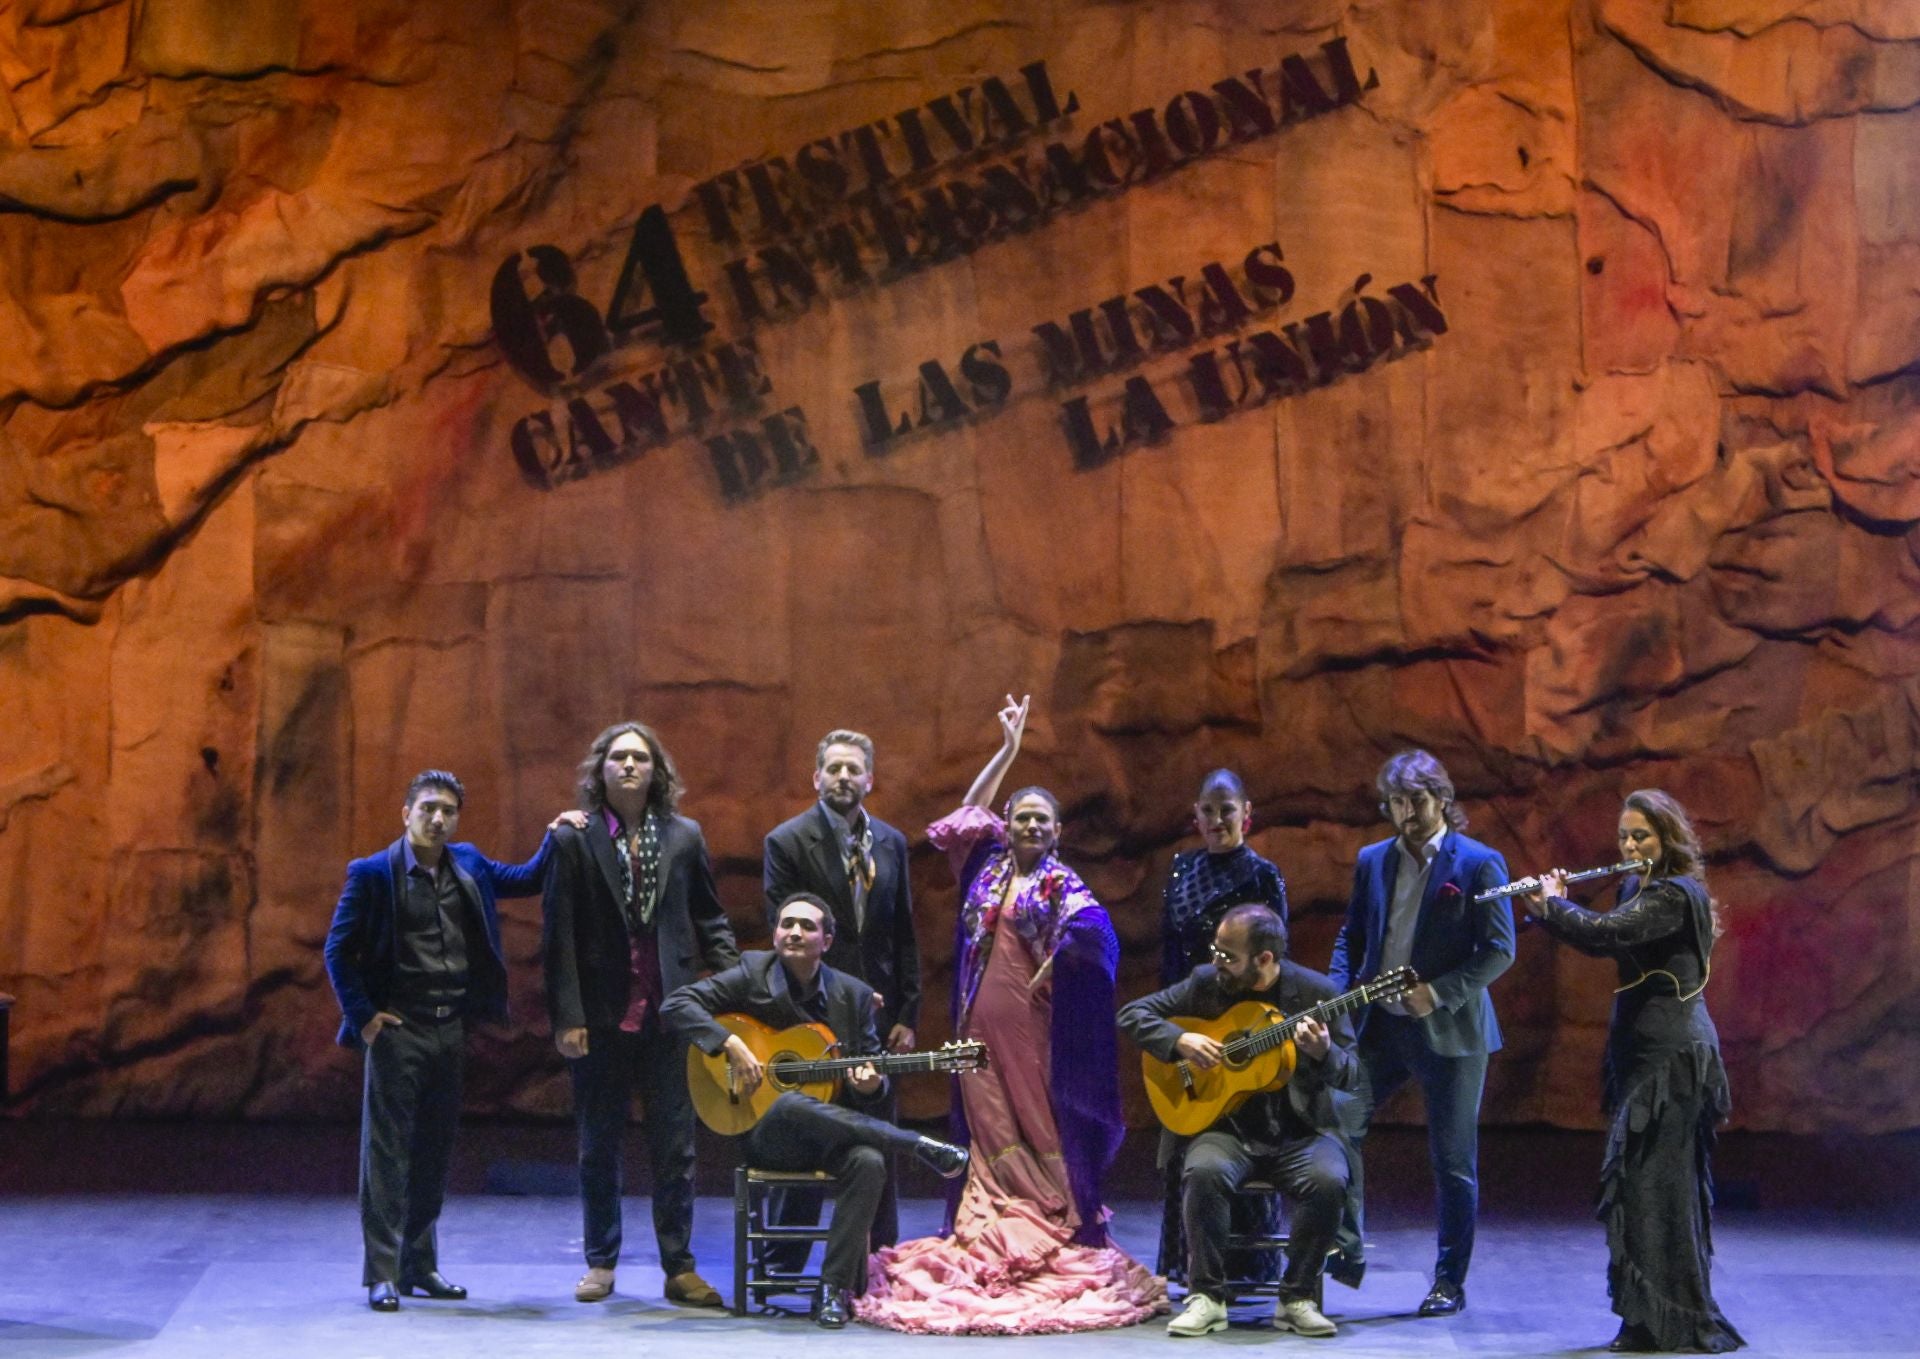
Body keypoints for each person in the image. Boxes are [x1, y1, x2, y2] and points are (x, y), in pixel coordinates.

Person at [859, 695, 1165, 1334]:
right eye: (1021, 817)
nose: (1030, 827)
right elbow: (967, 814)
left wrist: (1066, 953)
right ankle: (991, 1218)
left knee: (1037, 1117)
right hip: (975, 1024)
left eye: (1041, 821)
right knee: (987, 1121)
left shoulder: (1060, 884)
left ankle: (1045, 1215)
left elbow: (1099, 934)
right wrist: (1008, 751)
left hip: (1033, 1025)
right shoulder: (985, 868)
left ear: (1056, 832)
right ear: (1009, 823)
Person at [662, 893, 969, 1328]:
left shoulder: (854, 996)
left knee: (868, 1161)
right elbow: (675, 1005)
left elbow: (870, 1084)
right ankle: (914, 1144)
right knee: (788, 1102)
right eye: (787, 924)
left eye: (807, 926)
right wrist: (729, 1044)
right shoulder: (752, 973)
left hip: (830, 1135)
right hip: (769, 1135)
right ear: (775, 934)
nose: (794, 932)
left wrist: (872, 1084)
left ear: (826, 940)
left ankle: (833, 1288)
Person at [1520, 790, 1745, 1353]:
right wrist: (1553, 909)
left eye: (1641, 835)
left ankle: (1668, 1318)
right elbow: (1608, 934)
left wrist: (1555, 905)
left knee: (1656, 1191)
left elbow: (1604, 935)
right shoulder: (1633, 888)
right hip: (1638, 1058)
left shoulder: (1678, 894)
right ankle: (1647, 1317)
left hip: (1673, 1061)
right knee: (1639, 1191)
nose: (1629, 846)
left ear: (1667, 838)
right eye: (1623, 836)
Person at [323, 769, 552, 1311]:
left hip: (451, 1029)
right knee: (387, 1155)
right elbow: (338, 951)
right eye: (427, 807)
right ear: (406, 813)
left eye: (447, 810)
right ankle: (381, 1271)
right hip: (400, 1030)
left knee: (433, 1152)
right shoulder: (374, 873)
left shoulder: (467, 862)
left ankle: (418, 1265)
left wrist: (556, 834)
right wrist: (366, 1019)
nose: (437, 818)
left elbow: (525, 879)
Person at [542, 721, 740, 1307]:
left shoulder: (684, 836)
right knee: (598, 1144)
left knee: (675, 1147)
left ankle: (678, 1266)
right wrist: (567, 1015)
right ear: (601, 769)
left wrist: (729, 991)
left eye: (641, 758)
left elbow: (711, 919)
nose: (630, 766)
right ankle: (600, 1262)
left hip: (668, 1015)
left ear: (656, 772)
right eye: (619, 757)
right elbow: (559, 938)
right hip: (601, 1016)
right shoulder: (574, 839)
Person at [1327, 749, 1514, 1316]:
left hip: (1451, 1030)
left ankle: (1448, 1281)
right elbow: (1351, 935)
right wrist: (1337, 996)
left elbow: (1500, 950)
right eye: (1398, 801)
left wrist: (1437, 992)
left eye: (1418, 799)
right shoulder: (1373, 859)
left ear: (1443, 800)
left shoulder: (1479, 863)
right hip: (1380, 1026)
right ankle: (1347, 1249)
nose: (1407, 811)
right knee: (1339, 1121)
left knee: (1452, 1161)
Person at [1119, 903, 1353, 1338]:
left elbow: (1351, 1074)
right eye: (1216, 950)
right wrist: (1180, 1040)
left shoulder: (1317, 994)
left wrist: (1323, 1054)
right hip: (1226, 1129)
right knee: (1203, 1171)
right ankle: (1208, 1296)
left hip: (1297, 1134)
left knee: (1329, 1180)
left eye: (1228, 955)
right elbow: (1132, 1015)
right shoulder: (1207, 984)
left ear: (1264, 960)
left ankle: (1295, 1297)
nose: (1216, 962)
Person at [761, 728, 921, 1256]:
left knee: (878, 1133)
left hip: (878, 1015)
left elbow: (903, 932)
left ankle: (879, 1259)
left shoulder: (892, 843)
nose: (844, 778)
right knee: (810, 1129)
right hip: (811, 1009)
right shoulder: (787, 841)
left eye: (854, 769)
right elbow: (787, 936)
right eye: (834, 769)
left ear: (869, 779)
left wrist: (906, 1008)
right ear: (817, 777)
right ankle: (784, 1259)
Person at [1156, 768, 1291, 1284]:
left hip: (1241, 1026)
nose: (1217, 820)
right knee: (1186, 1139)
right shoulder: (1180, 868)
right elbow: (1171, 952)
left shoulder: (1262, 874)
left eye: (1226, 810)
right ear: (1195, 816)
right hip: (1188, 1023)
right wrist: (1173, 1027)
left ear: (1246, 814)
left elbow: (1275, 959)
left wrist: (1250, 1026)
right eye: (1208, 811)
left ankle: (1248, 1269)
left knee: (1242, 1130)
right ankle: (1190, 1265)